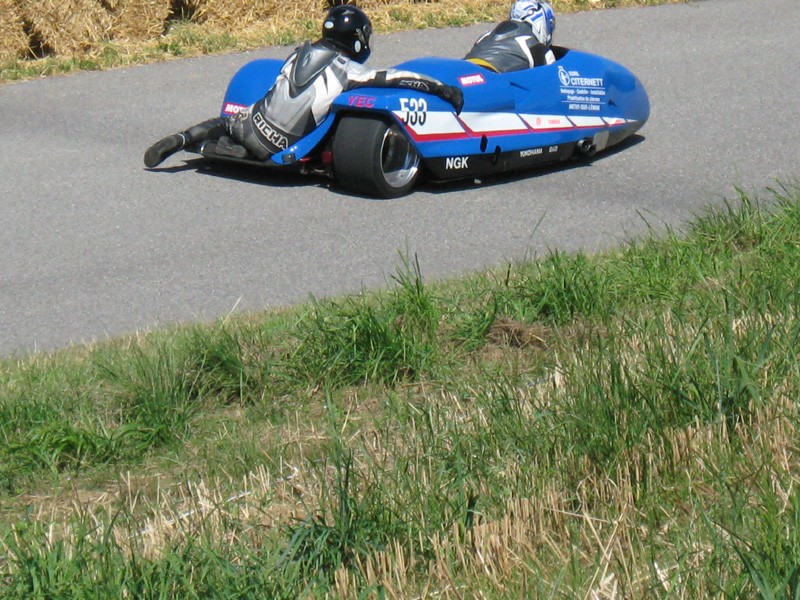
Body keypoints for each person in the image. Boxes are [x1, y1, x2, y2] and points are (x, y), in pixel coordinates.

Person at [144, 4, 464, 168]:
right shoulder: (350, 71)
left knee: (229, 122)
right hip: (282, 146)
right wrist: (443, 90)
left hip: (250, 126)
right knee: (342, 107)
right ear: (356, 41)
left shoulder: (299, 53)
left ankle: (185, 138)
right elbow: (398, 78)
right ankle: (250, 150)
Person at [464, 0, 556, 74]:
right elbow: (552, 84)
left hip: (462, 71)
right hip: (490, 81)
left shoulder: (485, 37)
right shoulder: (537, 48)